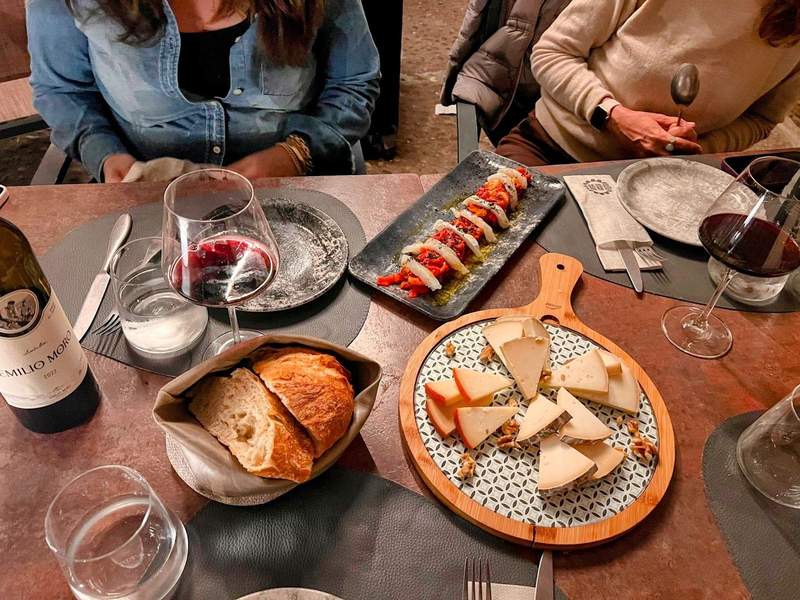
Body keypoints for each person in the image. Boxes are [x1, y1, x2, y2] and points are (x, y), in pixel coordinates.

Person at [27, 0, 381, 182]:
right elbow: (63, 90)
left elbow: (354, 82)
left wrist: (298, 153)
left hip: (302, 187)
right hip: (148, 201)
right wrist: (106, 156)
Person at [495, 0, 800, 166]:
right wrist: (610, 115)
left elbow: (762, 119)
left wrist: (696, 147)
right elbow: (552, 52)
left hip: (666, 183)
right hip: (552, 150)